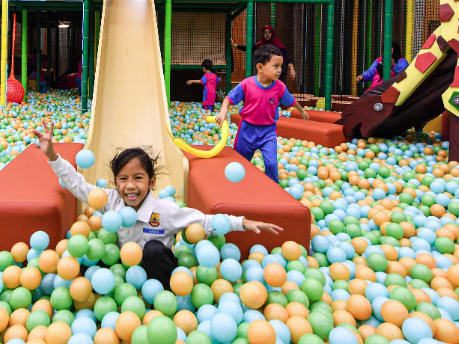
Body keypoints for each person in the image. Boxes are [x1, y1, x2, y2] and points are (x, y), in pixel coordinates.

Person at [34, 124, 282, 291]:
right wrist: (52, 155)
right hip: (121, 272)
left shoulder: (165, 210)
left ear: (151, 182)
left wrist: (242, 222)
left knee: (154, 249)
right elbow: (78, 186)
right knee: (90, 256)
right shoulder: (109, 200)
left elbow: (203, 220)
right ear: (115, 183)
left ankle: (161, 299)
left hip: (157, 275)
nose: (130, 186)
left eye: (138, 178)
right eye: (123, 179)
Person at [216, 45, 309, 183]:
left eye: (281, 66)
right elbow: (229, 99)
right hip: (247, 130)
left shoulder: (279, 87)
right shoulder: (246, 84)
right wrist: (224, 111)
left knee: (271, 163)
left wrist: (302, 111)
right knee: (239, 161)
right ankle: (234, 185)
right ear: (260, 67)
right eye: (276, 66)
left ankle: (273, 188)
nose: (279, 70)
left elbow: (291, 101)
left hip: (268, 131)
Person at [231, 25, 296, 82]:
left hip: (277, 73)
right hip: (266, 73)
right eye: (265, 33)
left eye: (269, 33)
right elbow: (247, 48)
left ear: (272, 34)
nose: (267, 35)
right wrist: (234, 45)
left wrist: (292, 69)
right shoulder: (259, 45)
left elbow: (287, 58)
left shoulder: (278, 45)